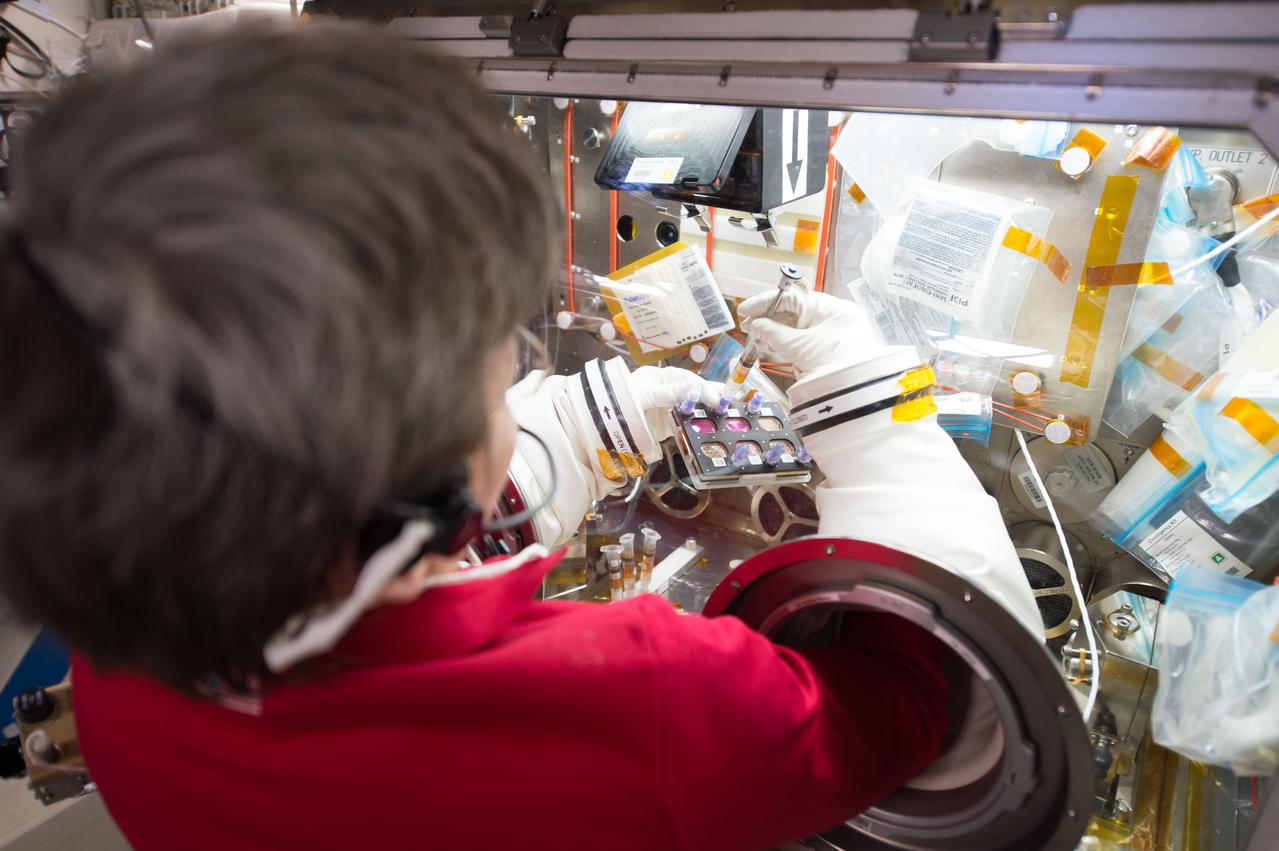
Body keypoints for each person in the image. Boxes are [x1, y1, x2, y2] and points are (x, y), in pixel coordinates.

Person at [0, 21, 1039, 851]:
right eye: (504, 379)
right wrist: (864, 401)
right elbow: (925, 691)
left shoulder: (120, 637)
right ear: (420, 501)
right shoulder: (650, 703)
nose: (515, 383)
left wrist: (609, 414)